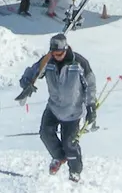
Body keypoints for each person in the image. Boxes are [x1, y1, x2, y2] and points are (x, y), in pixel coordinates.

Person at [16, 32, 98, 182]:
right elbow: (33, 71)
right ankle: (59, 157)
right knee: (45, 134)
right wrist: (26, 82)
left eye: (59, 53)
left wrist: (91, 105)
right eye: (54, 53)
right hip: (53, 107)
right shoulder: (48, 62)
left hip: (73, 110)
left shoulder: (79, 63)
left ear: (65, 50)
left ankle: (75, 171)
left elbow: (90, 85)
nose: (57, 56)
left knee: (69, 143)